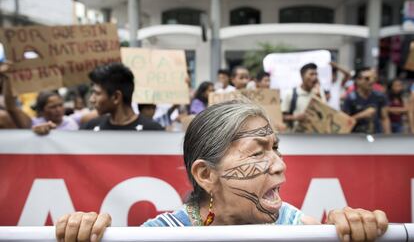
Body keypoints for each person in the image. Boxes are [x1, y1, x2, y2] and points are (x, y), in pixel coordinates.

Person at [56, 100, 389, 242]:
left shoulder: (300, 230)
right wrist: (85, 233)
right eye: (258, 152)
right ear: (205, 175)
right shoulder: (160, 236)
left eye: (275, 148)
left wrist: (351, 230)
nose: (280, 165)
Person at [81, 63, 163, 131]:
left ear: (116, 97)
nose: (91, 99)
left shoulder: (153, 131)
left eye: (97, 93)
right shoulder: (90, 128)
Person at [342, 67, 390, 134]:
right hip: (356, 137)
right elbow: (344, 121)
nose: (371, 81)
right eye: (367, 78)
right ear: (358, 80)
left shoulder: (380, 97)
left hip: (376, 136)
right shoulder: (350, 98)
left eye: (373, 78)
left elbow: (384, 118)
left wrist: (387, 136)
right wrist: (361, 115)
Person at [281, 63, 326, 131]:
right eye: (311, 74)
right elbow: (281, 117)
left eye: (316, 74)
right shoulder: (290, 94)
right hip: (296, 137)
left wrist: (318, 96)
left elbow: (325, 114)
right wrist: (295, 117)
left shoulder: (319, 92)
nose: (315, 77)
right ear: (302, 76)